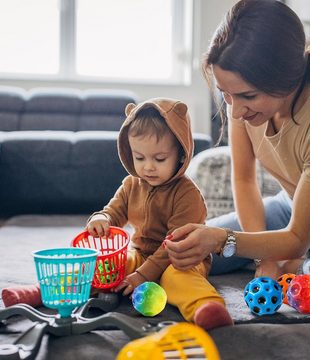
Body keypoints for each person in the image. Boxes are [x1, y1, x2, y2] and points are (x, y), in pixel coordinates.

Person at [164, 0, 310, 312]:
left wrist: (227, 241)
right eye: (226, 94)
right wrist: (264, 256)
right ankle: (294, 260)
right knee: (182, 247)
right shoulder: (238, 99)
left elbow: (296, 235)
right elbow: (243, 179)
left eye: (248, 96)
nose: (236, 111)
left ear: (285, 79)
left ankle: (303, 264)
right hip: (292, 205)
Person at [86, 98, 233, 330]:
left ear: (181, 155)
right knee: (106, 266)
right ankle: (52, 289)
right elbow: (114, 211)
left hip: (181, 258)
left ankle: (207, 306)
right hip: (141, 253)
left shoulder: (187, 194)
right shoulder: (131, 184)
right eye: (139, 158)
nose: (148, 167)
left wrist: (143, 276)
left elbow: (174, 243)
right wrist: (102, 218)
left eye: (159, 158)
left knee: (178, 279)